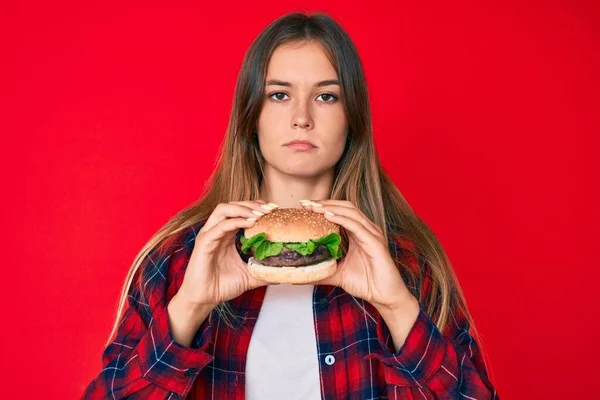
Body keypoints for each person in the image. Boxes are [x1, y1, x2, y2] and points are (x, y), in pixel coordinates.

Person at [81, 11, 498, 400]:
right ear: (251, 116)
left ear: (352, 117)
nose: (301, 118)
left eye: (326, 97)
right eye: (279, 95)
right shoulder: (178, 260)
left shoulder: (406, 264)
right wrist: (189, 308)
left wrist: (396, 306)